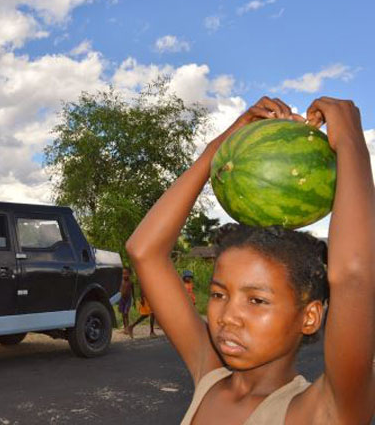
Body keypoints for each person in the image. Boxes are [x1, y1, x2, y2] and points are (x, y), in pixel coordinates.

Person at [126, 97, 375, 424]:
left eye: (256, 300)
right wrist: (228, 144)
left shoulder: (322, 411)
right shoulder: (209, 378)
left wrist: (351, 143)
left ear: (310, 316)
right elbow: (144, 251)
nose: (228, 317)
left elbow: (354, 274)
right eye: (218, 294)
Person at [118, 267, 136, 332]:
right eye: (123, 273)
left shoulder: (131, 282)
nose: (125, 275)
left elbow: (133, 292)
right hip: (122, 299)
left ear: (130, 274)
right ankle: (125, 327)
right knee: (123, 314)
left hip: (128, 299)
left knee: (126, 313)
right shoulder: (121, 281)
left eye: (126, 273)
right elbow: (119, 289)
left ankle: (128, 327)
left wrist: (134, 301)